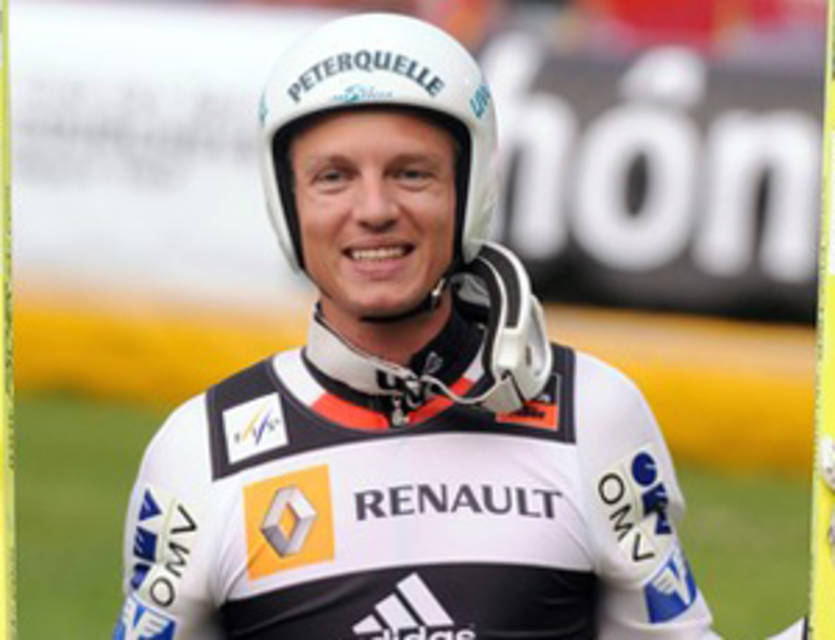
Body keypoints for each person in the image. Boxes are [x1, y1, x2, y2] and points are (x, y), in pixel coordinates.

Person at [113, 12, 803, 640]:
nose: (373, 209)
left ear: (469, 189)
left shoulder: (592, 415)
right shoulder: (200, 454)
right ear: (287, 201)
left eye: (411, 174)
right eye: (333, 177)